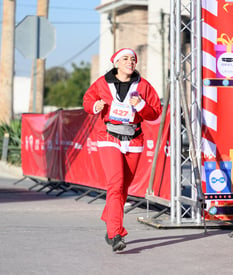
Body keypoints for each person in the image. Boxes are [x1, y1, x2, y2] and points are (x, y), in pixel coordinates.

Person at [83, 48, 162, 252]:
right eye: (126, 58)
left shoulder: (143, 86)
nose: (131, 61)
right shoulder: (102, 83)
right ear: (116, 63)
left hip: (134, 138)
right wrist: (95, 106)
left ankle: (109, 217)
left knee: (124, 187)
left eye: (133, 59)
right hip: (108, 136)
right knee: (115, 183)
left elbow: (155, 114)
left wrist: (142, 105)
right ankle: (115, 232)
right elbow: (87, 101)